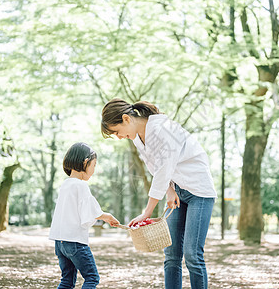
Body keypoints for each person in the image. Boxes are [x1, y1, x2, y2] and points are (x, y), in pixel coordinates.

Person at [101, 98, 217, 289]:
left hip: (199, 191)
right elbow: (155, 167)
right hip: (178, 191)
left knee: (192, 254)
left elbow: (164, 169)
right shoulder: (138, 137)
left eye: (117, 131)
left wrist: (147, 212)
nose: (119, 137)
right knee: (171, 254)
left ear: (126, 119)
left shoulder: (162, 129)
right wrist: (170, 191)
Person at [49, 142, 120, 289]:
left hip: (60, 242)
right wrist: (106, 216)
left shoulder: (65, 184)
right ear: (85, 162)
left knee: (67, 281)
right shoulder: (81, 185)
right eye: (94, 165)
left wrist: (104, 216)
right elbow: (89, 212)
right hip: (75, 242)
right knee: (92, 278)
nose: (94, 170)